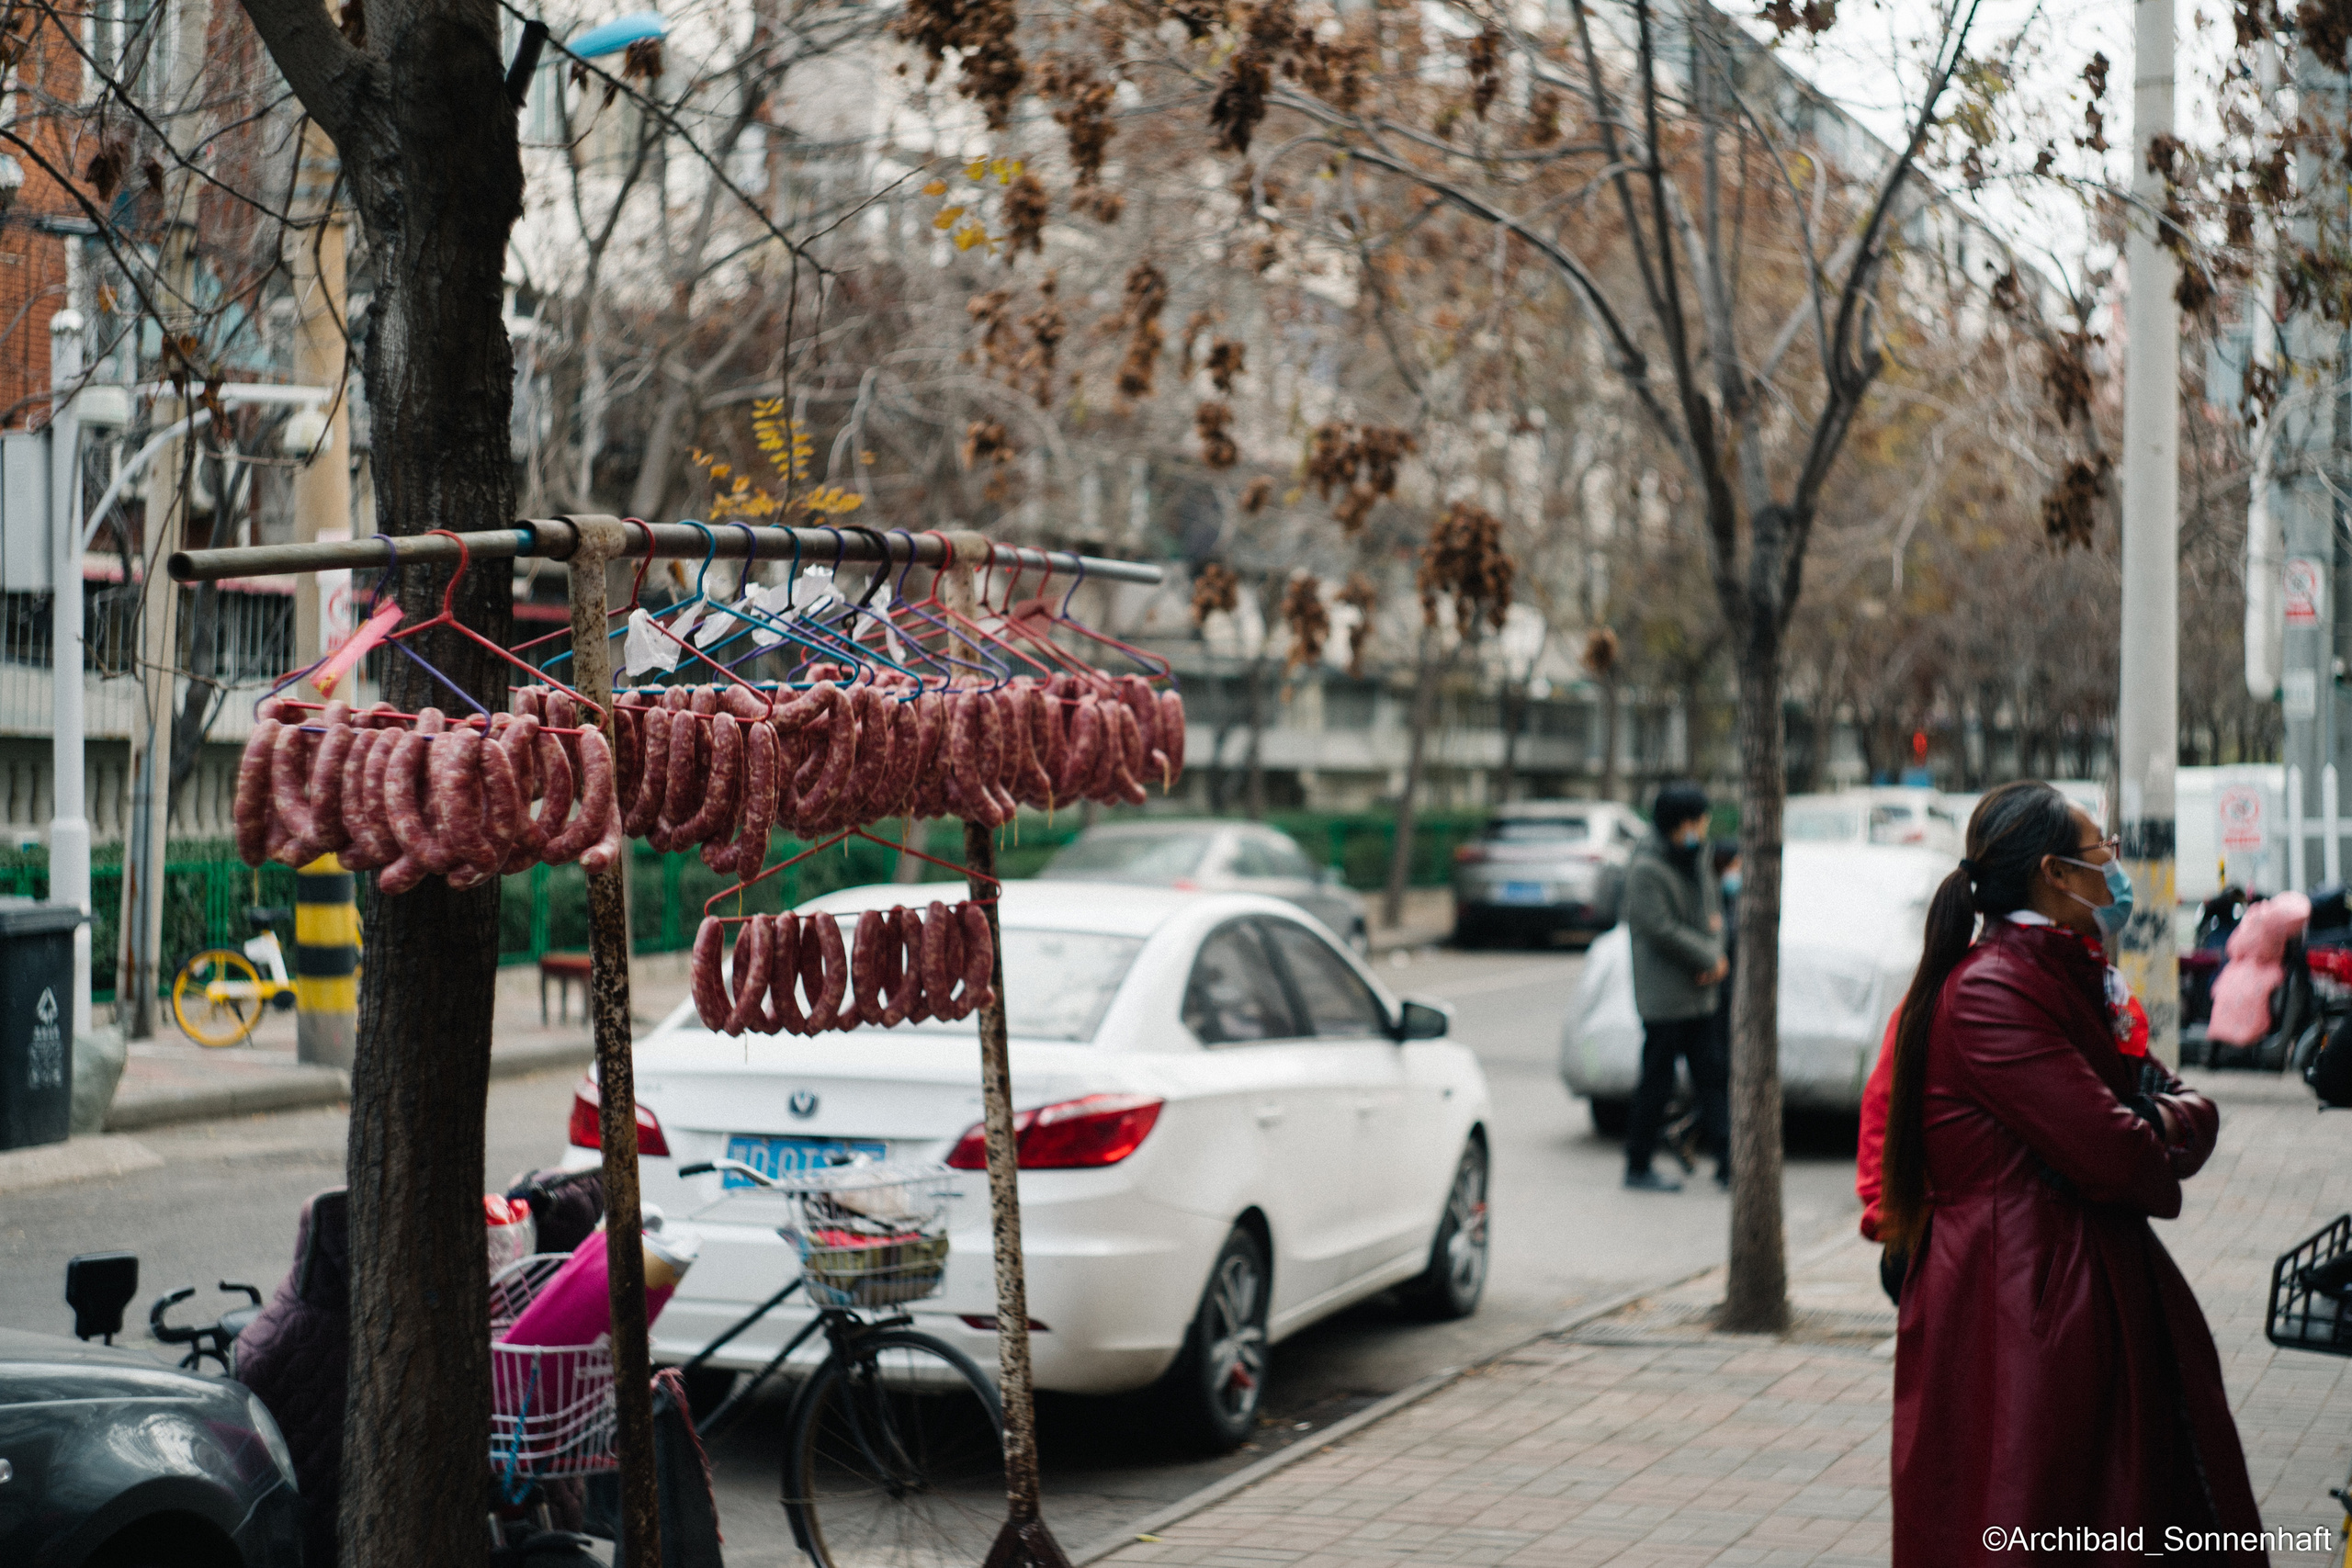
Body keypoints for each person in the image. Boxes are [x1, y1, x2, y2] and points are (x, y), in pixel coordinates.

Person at [1881, 781, 2263, 1564]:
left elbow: (2171, 1111)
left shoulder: (2066, 971)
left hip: (2064, 1288)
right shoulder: (1995, 989)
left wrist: (2150, 1120)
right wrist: (2152, 1123)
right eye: (2103, 854)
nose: (2114, 871)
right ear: (2055, 873)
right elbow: (2119, 1153)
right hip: (2020, 1304)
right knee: (2032, 1513)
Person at [1620, 781, 1729, 1192]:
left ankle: (1728, 1161)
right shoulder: (1645, 867)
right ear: (1681, 822)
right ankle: (1637, 1164)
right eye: (1699, 820)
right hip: (1665, 997)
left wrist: (1715, 958)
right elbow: (1658, 928)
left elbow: (1714, 912)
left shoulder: (1697, 855)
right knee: (1656, 1083)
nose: (1704, 827)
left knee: (1712, 1079)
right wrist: (1708, 957)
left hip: (1701, 991)